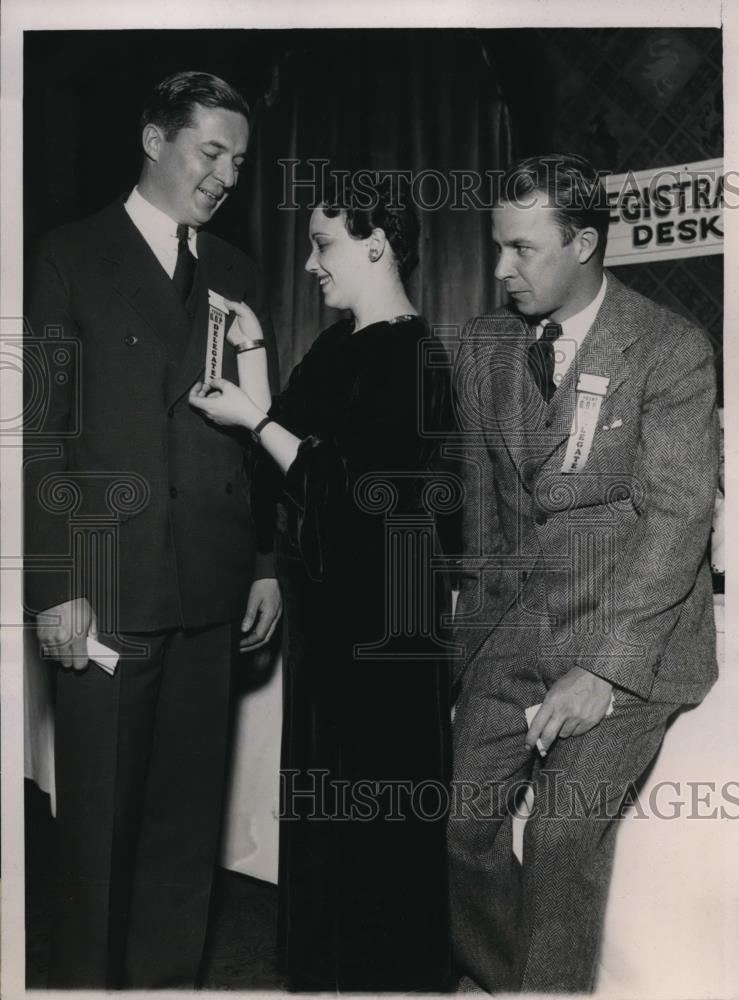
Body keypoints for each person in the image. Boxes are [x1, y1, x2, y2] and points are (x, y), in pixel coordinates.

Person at [24, 71, 281, 989]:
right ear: (153, 139)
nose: (224, 176)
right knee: (96, 831)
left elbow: (251, 431)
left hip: (210, 587)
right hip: (106, 590)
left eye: (239, 162)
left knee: (182, 829)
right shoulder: (67, 254)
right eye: (210, 152)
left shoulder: (238, 273)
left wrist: (261, 562)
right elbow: (39, 439)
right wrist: (56, 586)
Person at [448, 153, 719, 993]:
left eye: (522, 249)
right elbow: (486, 510)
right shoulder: (485, 344)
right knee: (463, 828)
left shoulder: (668, 347)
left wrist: (602, 668)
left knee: (563, 834)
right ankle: (505, 982)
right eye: (498, 246)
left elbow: (677, 521)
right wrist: (469, 660)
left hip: (630, 633)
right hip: (516, 624)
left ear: (586, 245)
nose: (501, 268)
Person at [189, 178, 454, 992]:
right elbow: (288, 453)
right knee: (323, 820)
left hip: (386, 637)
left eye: (324, 244)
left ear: (377, 243)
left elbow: (349, 490)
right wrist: (261, 353)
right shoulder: (338, 347)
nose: (310, 263)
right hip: (329, 630)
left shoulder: (415, 356)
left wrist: (256, 420)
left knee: (374, 830)